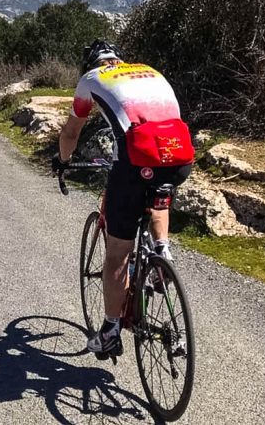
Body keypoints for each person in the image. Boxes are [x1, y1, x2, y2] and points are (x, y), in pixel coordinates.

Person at [53, 40, 194, 360]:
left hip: (135, 160)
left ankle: (110, 330)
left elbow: (71, 133)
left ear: (91, 63)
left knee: (117, 254)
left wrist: (62, 162)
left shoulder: (91, 79)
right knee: (157, 195)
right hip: (178, 155)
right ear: (120, 59)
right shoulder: (148, 70)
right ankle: (162, 252)